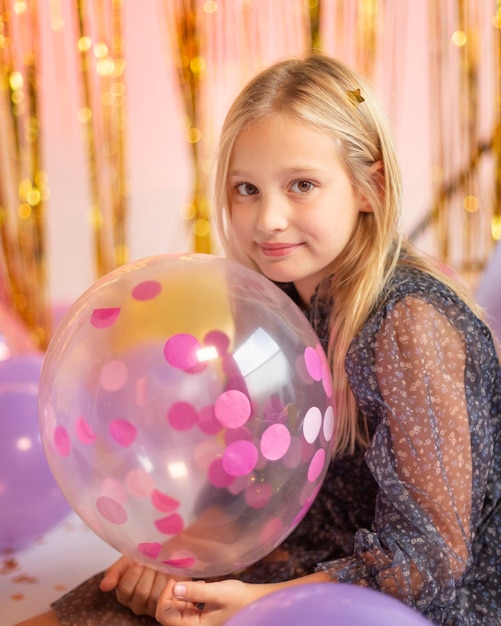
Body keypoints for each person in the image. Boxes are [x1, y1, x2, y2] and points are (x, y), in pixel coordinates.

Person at [17, 54, 501, 626]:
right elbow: (253, 481)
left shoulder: (409, 324)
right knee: (99, 607)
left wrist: (260, 602)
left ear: (369, 187)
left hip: (415, 598)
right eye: (246, 188)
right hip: (304, 552)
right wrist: (178, 557)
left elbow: (432, 559)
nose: (268, 218)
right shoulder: (275, 305)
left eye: (302, 185)